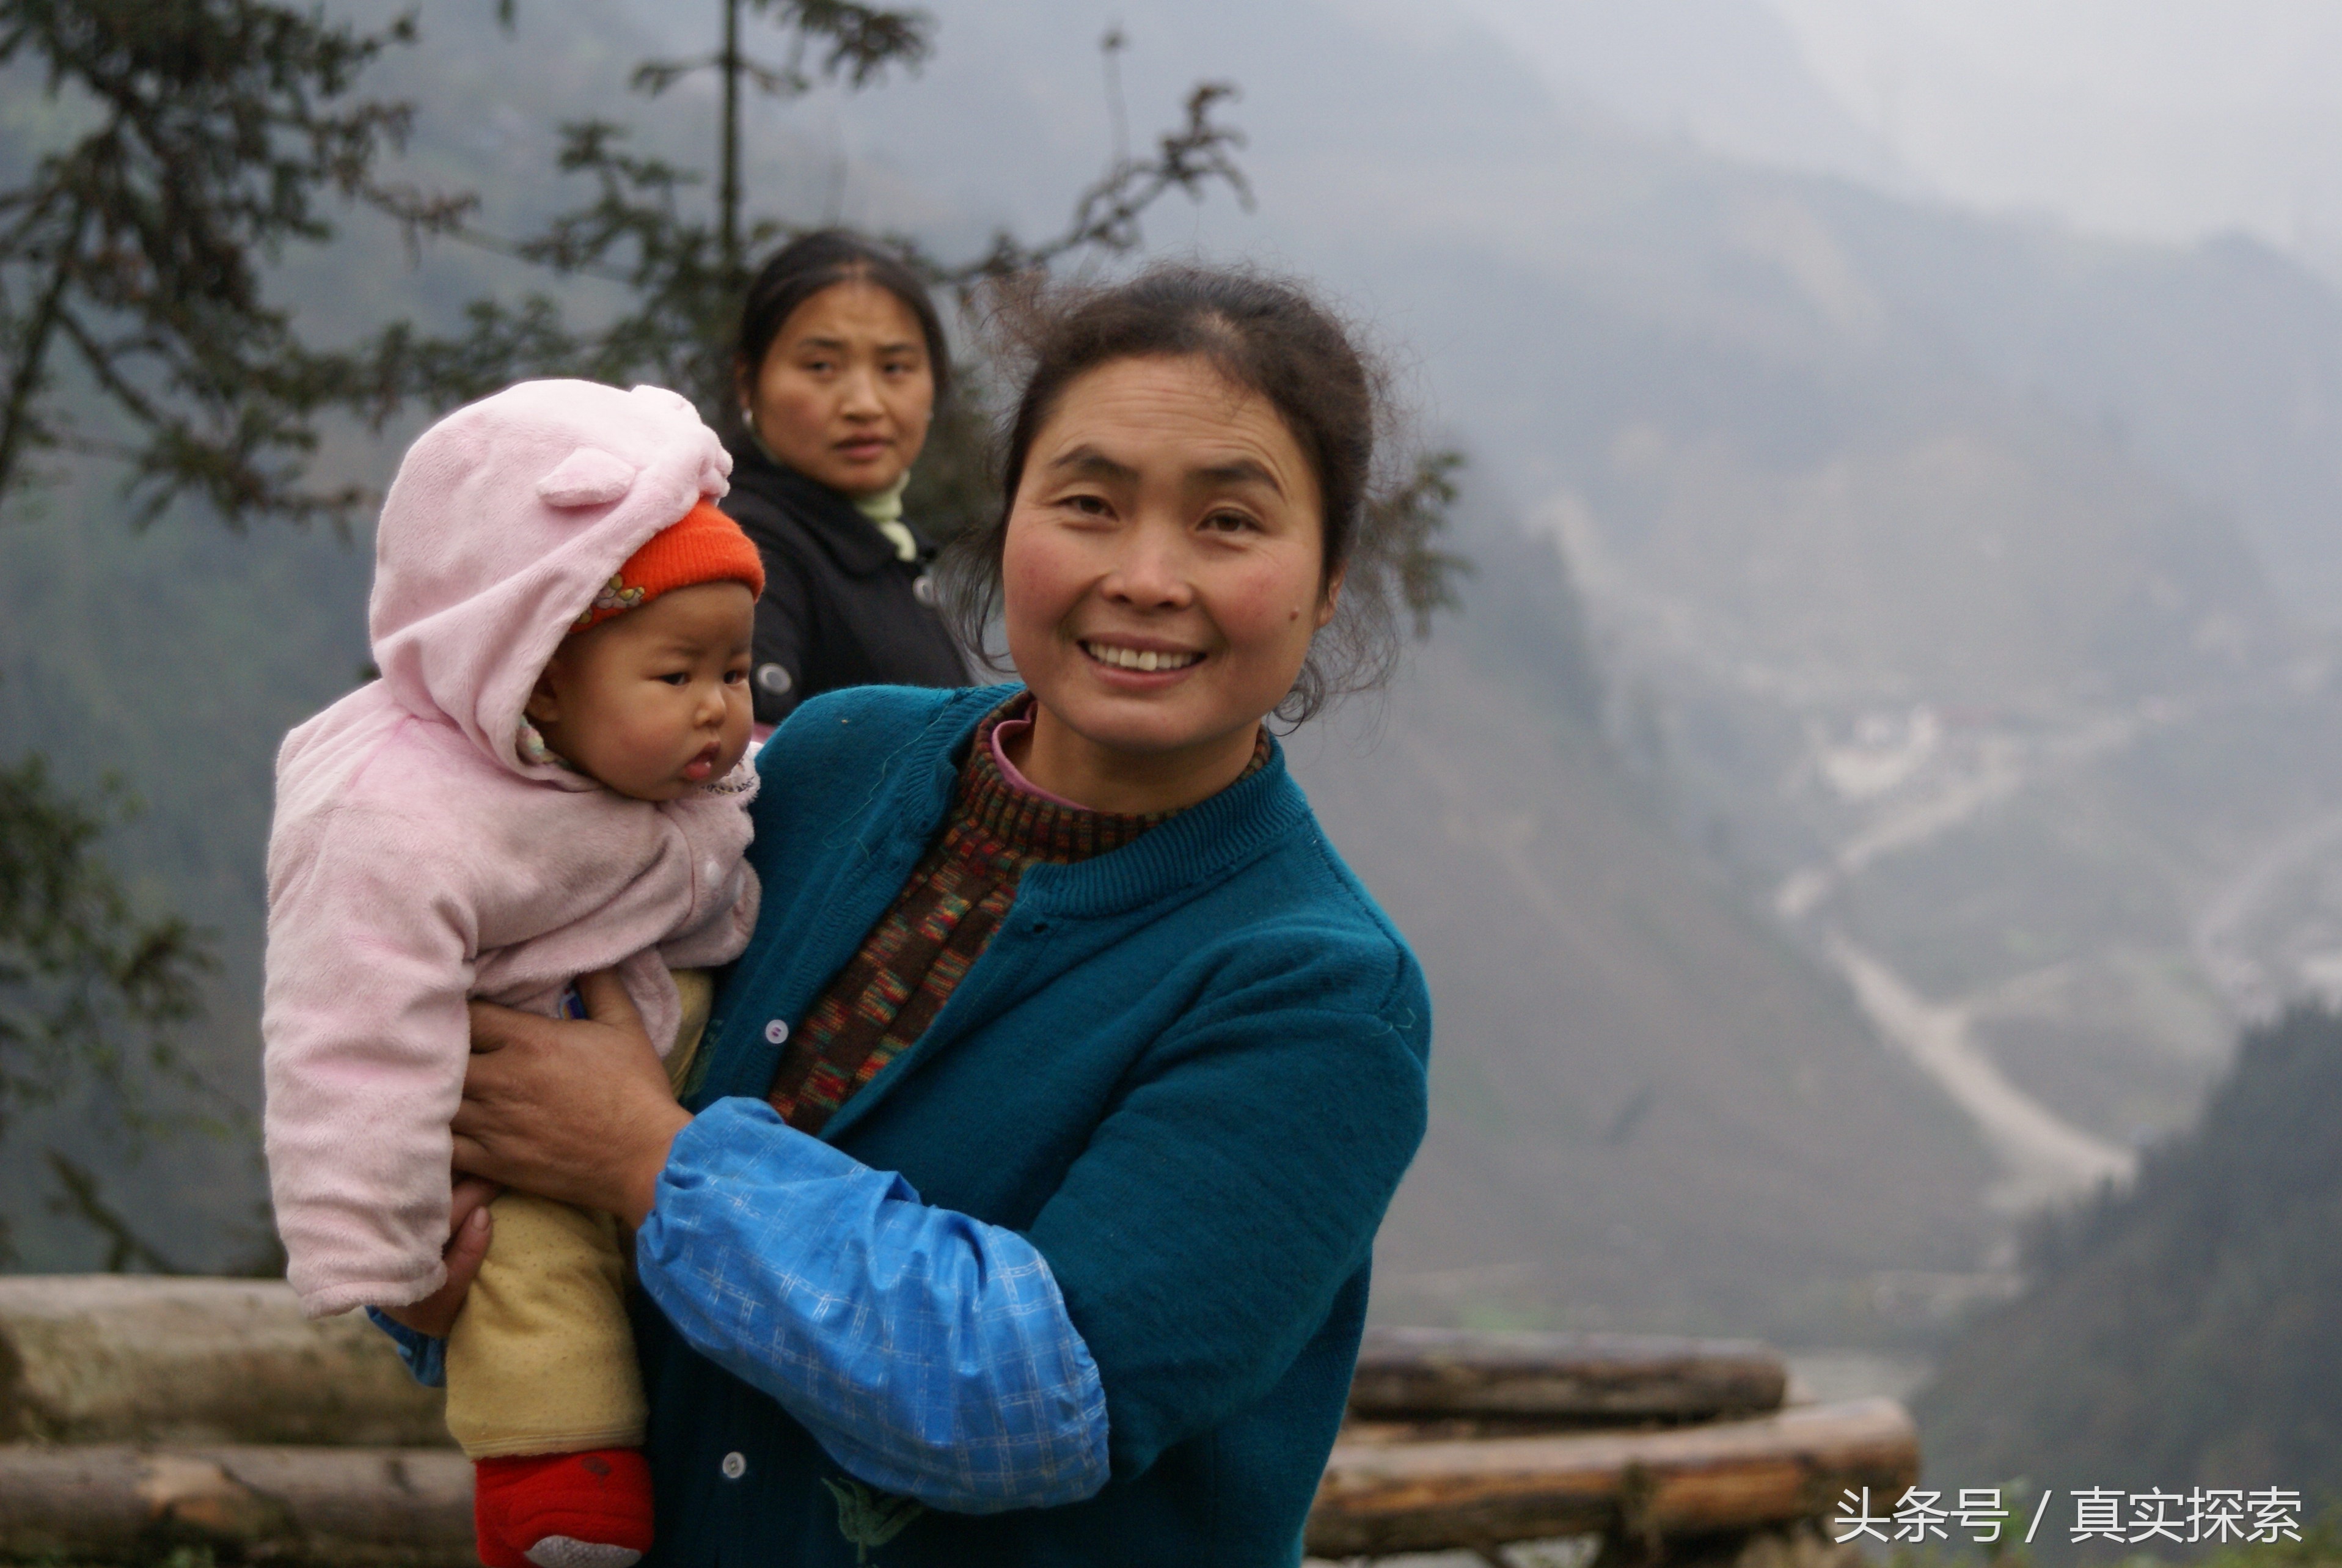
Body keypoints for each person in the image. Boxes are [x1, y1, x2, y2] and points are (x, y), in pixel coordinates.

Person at [386, 266, 1435, 1565]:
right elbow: (545, 1036)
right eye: (1088, 504)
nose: (1145, 575)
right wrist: (440, 1260)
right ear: (1007, 520)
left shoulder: (1319, 994)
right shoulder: (826, 763)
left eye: (1227, 521)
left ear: (1326, 579)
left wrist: (651, 1161)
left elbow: (1031, 1400)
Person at [264, 380, 767, 1568]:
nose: (717, 710)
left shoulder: (684, 768)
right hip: (510, 1132)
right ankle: (555, 1484)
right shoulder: (399, 817)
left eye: (738, 670)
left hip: (673, 1103)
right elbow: (347, 1028)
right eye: (676, 676)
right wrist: (383, 1244)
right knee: (523, 1270)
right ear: (539, 676)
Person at [724, 229, 970, 735]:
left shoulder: (883, 537)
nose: (864, 404)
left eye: (895, 367)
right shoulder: (743, 550)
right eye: (821, 366)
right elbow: (741, 753)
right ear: (749, 382)